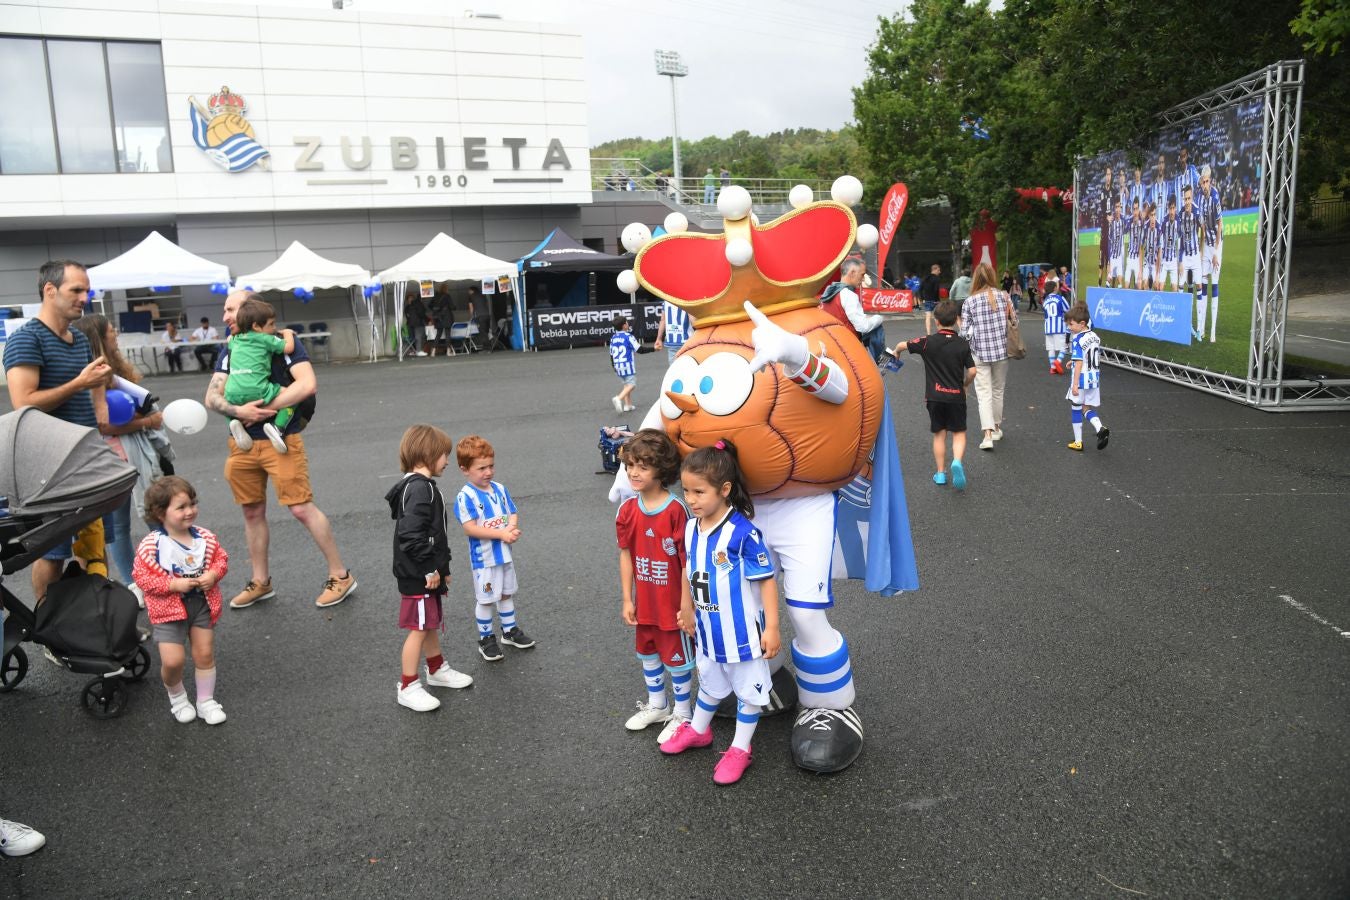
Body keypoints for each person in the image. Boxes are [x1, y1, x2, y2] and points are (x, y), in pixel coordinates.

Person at [205, 289, 356, 610]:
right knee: (251, 511)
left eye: (230, 309)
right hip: (242, 441)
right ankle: (261, 582)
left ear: (250, 311)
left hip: (281, 440)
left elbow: (306, 384)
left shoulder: (282, 343)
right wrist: (240, 412)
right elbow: (212, 396)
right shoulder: (230, 347)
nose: (225, 316)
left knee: (301, 507)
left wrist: (264, 409)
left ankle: (340, 575)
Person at [659, 440, 780, 786]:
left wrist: (772, 627)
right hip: (707, 629)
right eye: (686, 491)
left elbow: (767, 581)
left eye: (699, 492)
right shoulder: (690, 528)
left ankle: (741, 749)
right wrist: (686, 608)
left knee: (747, 690)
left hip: (741, 635)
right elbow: (687, 570)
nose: (691, 500)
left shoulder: (742, 533)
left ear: (724, 490)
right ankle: (699, 730)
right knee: (710, 680)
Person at [3, 260, 111, 602]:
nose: (84, 297)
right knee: (53, 554)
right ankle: (48, 630)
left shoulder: (78, 339)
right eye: (76, 290)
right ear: (50, 290)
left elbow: (86, 392)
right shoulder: (26, 339)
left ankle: (90, 624)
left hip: (83, 458)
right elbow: (24, 402)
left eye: (86, 290)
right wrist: (81, 382)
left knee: (92, 547)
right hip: (47, 468)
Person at [72, 314, 171, 602]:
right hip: (112, 458)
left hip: (128, 454)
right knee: (124, 525)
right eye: (111, 332)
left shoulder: (114, 370)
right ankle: (134, 583)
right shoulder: (94, 374)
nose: (116, 335)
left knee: (150, 517)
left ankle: (161, 576)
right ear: (99, 338)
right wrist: (147, 423)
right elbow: (104, 422)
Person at [387, 425, 473, 713]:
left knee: (428, 623)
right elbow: (412, 536)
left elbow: (433, 533)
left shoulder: (418, 486)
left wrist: (442, 566)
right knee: (419, 627)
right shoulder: (419, 489)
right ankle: (408, 685)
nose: (447, 461)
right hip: (417, 573)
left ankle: (436, 669)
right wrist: (429, 569)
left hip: (423, 571)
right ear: (427, 454)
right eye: (444, 455)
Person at [614, 430, 693, 743]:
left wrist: (687, 606)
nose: (634, 472)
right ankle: (658, 705)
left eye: (643, 466)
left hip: (672, 606)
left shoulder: (677, 510)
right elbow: (625, 556)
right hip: (645, 603)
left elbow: (688, 563)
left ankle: (684, 714)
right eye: (630, 465)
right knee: (648, 654)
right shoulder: (627, 510)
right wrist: (626, 598)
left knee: (678, 660)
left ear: (662, 470)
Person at [132, 476, 230, 725]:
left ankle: (206, 701)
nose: (190, 511)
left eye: (192, 504)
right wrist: (172, 585)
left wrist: (213, 574)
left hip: (201, 604)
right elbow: (141, 578)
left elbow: (221, 559)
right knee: (173, 660)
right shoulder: (151, 546)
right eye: (182, 507)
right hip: (168, 610)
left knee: (204, 653)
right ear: (159, 512)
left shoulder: (205, 538)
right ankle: (177, 697)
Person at [454, 434, 534, 661]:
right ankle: (486, 638)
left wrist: (512, 527)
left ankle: (509, 631)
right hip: (484, 558)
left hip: (504, 555)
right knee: (486, 598)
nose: (488, 472)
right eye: (481, 468)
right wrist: (501, 533)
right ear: (464, 469)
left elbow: (512, 512)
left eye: (490, 466)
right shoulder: (465, 496)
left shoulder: (499, 488)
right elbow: (469, 528)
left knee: (507, 593)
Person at [893, 300, 976, 490]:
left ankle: (940, 473)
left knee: (939, 434)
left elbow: (902, 345)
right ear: (956, 320)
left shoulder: (927, 342)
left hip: (934, 397)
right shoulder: (963, 345)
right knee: (959, 432)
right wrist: (965, 385)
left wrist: (897, 352)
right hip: (956, 396)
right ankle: (956, 461)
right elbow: (972, 372)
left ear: (936, 321)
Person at [222, 297, 297, 455]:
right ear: (256, 326)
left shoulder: (235, 340)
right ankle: (278, 427)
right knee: (293, 395)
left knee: (229, 400)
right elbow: (289, 348)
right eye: (271, 324)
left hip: (232, 392)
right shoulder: (265, 338)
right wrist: (288, 333)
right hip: (257, 389)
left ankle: (234, 422)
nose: (274, 328)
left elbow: (229, 339)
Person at [959, 263, 1017, 451]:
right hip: (1001, 351)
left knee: (984, 394)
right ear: (993, 277)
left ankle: (988, 435)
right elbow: (1014, 321)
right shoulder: (1004, 296)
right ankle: (997, 427)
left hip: (979, 352)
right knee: (998, 390)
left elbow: (964, 332)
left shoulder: (970, 301)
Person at [819, 258, 886, 360]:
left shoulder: (828, 293)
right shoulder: (848, 295)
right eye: (862, 274)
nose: (863, 279)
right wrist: (879, 318)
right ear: (852, 272)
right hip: (848, 350)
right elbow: (863, 327)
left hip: (829, 348)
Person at [1064, 306, 1110, 451]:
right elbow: (1089, 355)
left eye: (1071, 324)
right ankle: (1100, 428)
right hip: (1094, 378)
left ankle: (1078, 442)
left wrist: (1075, 384)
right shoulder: (1095, 336)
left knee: (1075, 407)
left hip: (1082, 378)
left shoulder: (1078, 339)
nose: (1069, 327)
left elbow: (1080, 362)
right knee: (1086, 407)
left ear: (1082, 324)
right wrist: (1074, 360)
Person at [1196, 163, 1223, 343]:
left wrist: (1215, 252)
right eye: (1203, 182)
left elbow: (1219, 224)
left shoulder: (1215, 196)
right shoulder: (1200, 198)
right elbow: (1203, 227)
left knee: (1214, 284)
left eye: (1207, 181)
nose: (1205, 185)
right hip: (1206, 244)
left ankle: (1212, 330)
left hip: (1217, 243)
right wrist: (1201, 250)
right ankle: (1202, 328)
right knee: (1203, 283)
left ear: (1210, 181)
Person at [609, 315, 640, 413]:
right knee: (631, 384)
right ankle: (619, 398)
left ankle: (628, 405)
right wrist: (654, 349)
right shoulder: (628, 336)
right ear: (624, 326)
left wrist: (613, 365)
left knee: (626, 385)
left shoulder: (613, 337)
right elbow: (640, 349)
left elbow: (611, 354)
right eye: (626, 322)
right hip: (627, 365)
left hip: (618, 366)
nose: (628, 323)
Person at [1041, 280, 1072, 374]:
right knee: (1063, 347)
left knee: (1051, 348)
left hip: (1048, 327)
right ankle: (1058, 362)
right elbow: (1068, 309)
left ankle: (1052, 367)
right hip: (1059, 327)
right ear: (1055, 288)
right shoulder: (1060, 298)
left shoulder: (1045, 301)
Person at [427, 284, 453, 356]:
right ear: (446, 289)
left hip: (438, 317)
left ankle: (433, 352)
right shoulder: (447, 296)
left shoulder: (435, 297)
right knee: (447, 334)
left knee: (438, 335)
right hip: (446, 317)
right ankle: (448, 351)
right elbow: (452, 306)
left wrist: (436, 309)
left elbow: (429, 305)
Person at [404, 288, 428, 357]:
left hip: (412, 323)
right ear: (407, 299)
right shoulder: (408, 307)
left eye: (412, 298)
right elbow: (420, 314)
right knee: (415, 337)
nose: (411, 299)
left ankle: (417, 350)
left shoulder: (414, 305)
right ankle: (416, 350)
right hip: (412, 324)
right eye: (410, 298)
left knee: (417, 337)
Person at [920, 262, 942, 334]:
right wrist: (937, 300)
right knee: (936, 316)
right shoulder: (936, 279)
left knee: (928, 316)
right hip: (934, 300)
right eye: (938, 270)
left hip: (926, 299)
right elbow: (936, 290)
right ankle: (939, 331)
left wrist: (922, 298)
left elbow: (920, 288)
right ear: (935, 270)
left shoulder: (925, 278)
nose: (939, 272)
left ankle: (928, 333)